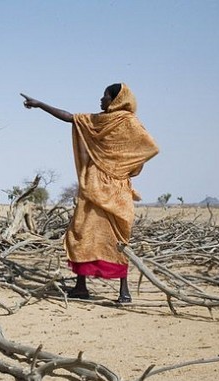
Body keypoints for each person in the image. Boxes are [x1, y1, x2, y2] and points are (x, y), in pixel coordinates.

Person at [21, 83, 159, 303]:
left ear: (116, 100)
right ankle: (80, 286)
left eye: (105, 96)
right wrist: (40, 105)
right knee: (82, 234)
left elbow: (150, 147)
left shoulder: (128, 122)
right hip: (94, 187)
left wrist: (123, 166)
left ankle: (124, 291)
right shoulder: (99, 120)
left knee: (117, 238)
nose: (101, 100)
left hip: (114, 189)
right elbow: (70, 117)